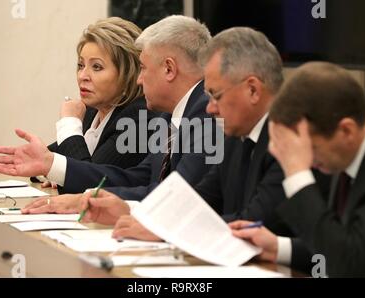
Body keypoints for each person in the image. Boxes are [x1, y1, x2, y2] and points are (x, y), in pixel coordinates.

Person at [0, 15, 218, 207]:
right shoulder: (171, 116)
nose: (138, 80)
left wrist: (86, 199)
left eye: (143, 68)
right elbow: (140, 179)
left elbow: (179, 200)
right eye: (80, 65)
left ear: (169, 68)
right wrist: (53, 166)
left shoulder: (206, 114)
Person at [112, 27, 288, 241]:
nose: (210, 108)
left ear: (252, 90)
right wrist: (127, 209)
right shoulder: (235, 139)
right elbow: (196, 200)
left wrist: (166, 230)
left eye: (216, 95)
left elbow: (253, 222)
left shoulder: (288, 140)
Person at [232, 62, 365, 277]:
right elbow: (339, 241)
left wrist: (297, 174)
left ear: (346, 130)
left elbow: (351, 264)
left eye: (312, 150)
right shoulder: (346, 153)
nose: (308, 162)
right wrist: (277, 247)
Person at [34, 17, 157, 189]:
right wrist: (54, 170)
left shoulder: (139, 119)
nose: (82, 76)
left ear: (128, 72)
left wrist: (69, 124)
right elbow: (41, 162)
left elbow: (88, 183)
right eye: (80, 65)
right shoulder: (92, 111)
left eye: (97, 67)